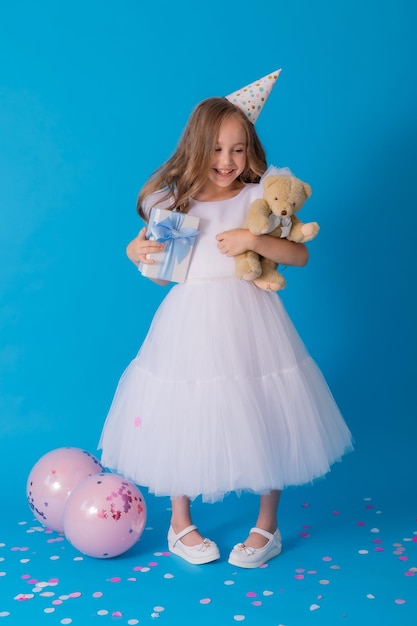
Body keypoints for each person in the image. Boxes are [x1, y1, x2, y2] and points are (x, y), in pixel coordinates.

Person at [98, 73, 353, 568]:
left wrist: (252, 240)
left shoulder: (257, 198)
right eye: (217, 149)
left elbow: (298, 256)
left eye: (238, 150)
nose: (227, 161)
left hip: (252, 317)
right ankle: (179, 523)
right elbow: (160, 277)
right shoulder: (173, 202)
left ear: (250, 151)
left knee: (269, 409)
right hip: (190, 319)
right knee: (185, 412)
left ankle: (267, 526)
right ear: (197, 148)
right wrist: (135, 251)